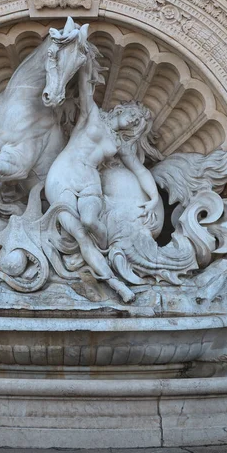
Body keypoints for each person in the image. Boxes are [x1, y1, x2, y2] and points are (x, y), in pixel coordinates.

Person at [45, 50, 160, 303]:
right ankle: (116, 285)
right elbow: (86, 87)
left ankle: (111, 257)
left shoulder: (121, 145)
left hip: (89, 180)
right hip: (63, 175)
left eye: (138, 120)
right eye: (133, 113)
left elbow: (140, 170)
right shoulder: (91, 115)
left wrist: (153, 199)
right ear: (120, 109)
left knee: (90, 221)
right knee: (79, 233)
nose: (133, 120)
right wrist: (82, 53)